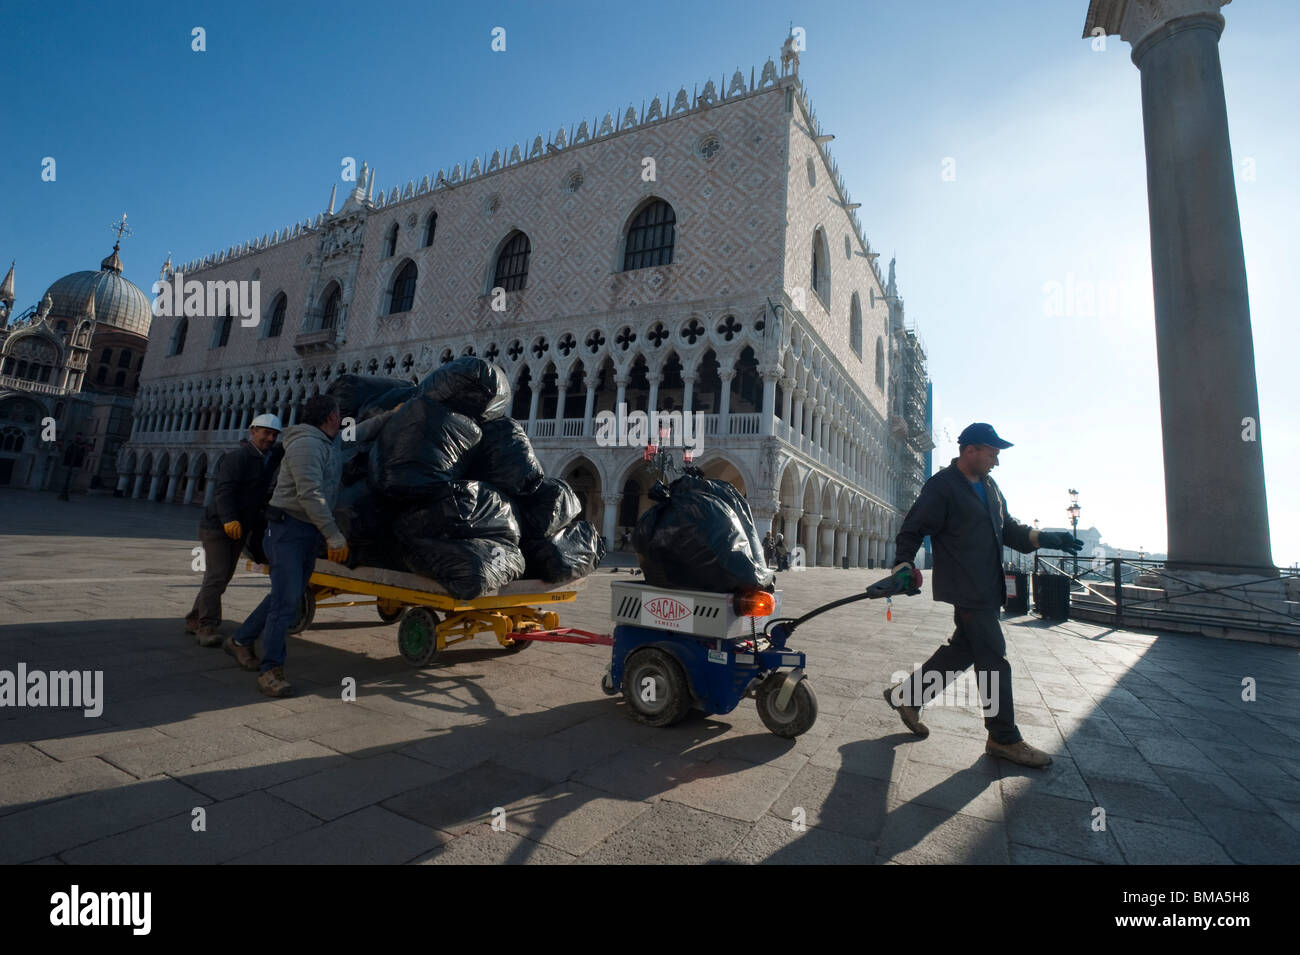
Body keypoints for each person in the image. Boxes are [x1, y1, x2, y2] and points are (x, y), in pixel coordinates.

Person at [881, 423, 1082, 768]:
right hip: (966, 586)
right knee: (993, 658)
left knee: (964, 650)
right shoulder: (941, 487)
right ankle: (1003, 737)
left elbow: (1009, 530)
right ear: (970, 450)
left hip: (988, 586)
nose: (997, 462)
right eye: (993, 453)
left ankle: (907, 695)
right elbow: (913, 527)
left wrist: (1048, 538)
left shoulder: (990, 487)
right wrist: (903, 564)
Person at [225, 394, 396, 697]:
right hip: (287, 530)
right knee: (286, 601)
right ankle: (270, 671)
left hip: (307, 532)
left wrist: (393, 414)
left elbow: (359, 432)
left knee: (284, 595)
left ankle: (240, 640)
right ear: (330, 417)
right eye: (338, 415)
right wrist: (333, 534)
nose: (341, 420)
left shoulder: (329, 441)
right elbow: (309, 494)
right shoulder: (305, 444)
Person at [184, 414, 283, 646]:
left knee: (221, 577)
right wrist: (229, 519)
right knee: (217, 576)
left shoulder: (265, 458)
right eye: (265, 433)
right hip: (218, 526)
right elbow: (224, 491)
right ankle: (206, 626)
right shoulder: (237, 458)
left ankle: (194, 617)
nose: (270, 438)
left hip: (240, 528)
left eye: (274, 435)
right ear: (253, 432)